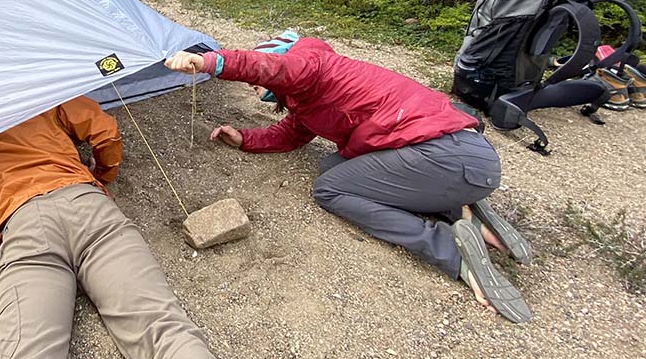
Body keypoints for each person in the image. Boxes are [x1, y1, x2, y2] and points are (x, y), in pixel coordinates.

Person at [164, 33, 534, 324]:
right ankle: (461, 208)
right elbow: (291, 134)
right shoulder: (310, 96)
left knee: (329, 189)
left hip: (442, 155)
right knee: (332, 169)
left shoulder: (312, 65)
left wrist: (209, 62)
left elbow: (271, 69)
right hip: (460, 155)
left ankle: (450, 248)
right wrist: (245, 138)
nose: (253, 86)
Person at [0, 95, 257, 359]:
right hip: (87, 204)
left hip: (24, 222)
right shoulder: (41, 80)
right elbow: (104, 131)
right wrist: (104, 172)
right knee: (165, 331)